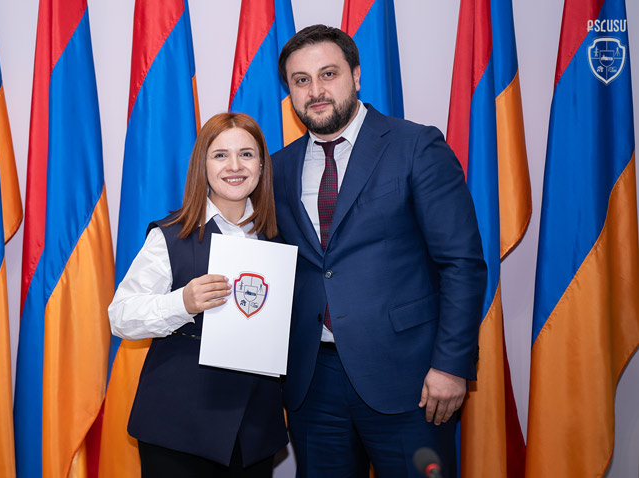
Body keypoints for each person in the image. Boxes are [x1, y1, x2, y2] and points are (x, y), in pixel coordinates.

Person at [272, 25, 487, 477]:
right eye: (301, 80)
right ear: (290, 92)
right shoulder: (278, 167)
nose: (316, 91)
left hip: (411, 380)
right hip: (313, 385)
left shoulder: (416, 146)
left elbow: (461, 264)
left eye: (328, 74)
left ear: (356, 75)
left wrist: (451, 366)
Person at [108, 112, 288, 477]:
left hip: (254, 428)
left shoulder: (281, 238)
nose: (234, 166)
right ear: (202, 166)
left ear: (262, 165)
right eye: (220, 155)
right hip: (178, 427)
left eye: (246, 154)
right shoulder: (170, 236)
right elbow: (120, 316)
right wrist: (182, 303)